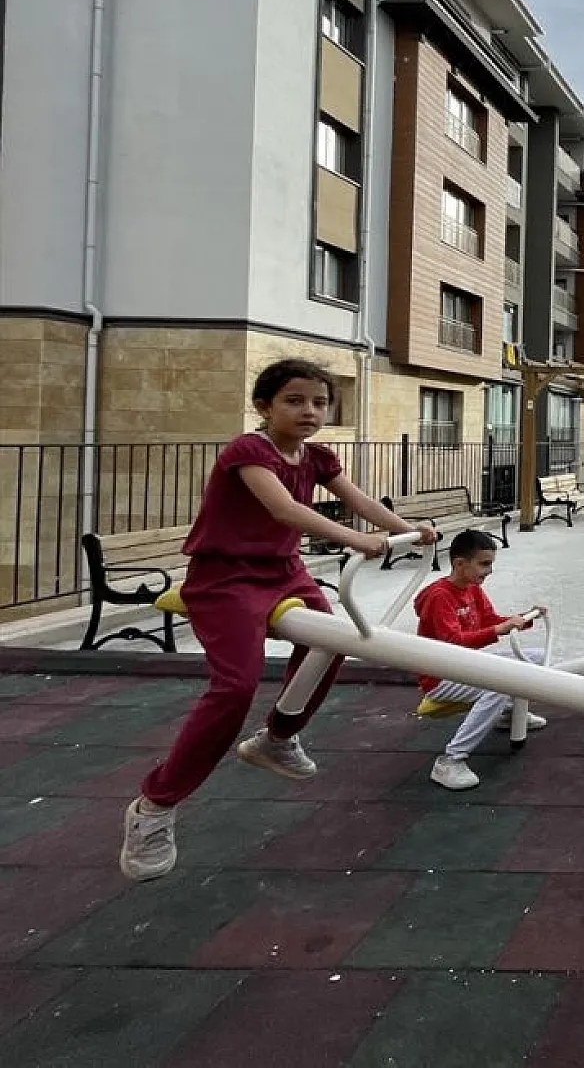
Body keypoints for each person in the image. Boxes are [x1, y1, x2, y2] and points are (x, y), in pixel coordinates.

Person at [120, 359, 438, 882]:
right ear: (264, 407)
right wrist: (356, 539)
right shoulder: (249, 451)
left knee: (332, 639)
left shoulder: (317, 456)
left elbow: (355, 499)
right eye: (294, 401)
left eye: (318, 402)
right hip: (225, 578)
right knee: (234, 687)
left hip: (283, 572)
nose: (309, 411)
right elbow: (283, 510)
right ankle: (154, 806)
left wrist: (408, 529)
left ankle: (277, 736)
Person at [414, 529, 550, 790]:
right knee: (499, 684)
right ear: (459, 564)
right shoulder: (440, 596)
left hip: (464, 667)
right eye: (484, 564)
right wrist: (500, 629)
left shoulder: (472, 589)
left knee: (535, 658)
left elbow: (491, 621)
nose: (488, 571)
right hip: (440, 675)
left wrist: (524, 618)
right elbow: (451, 643)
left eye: (491, 564)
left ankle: (510, 714)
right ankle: (450, 760)